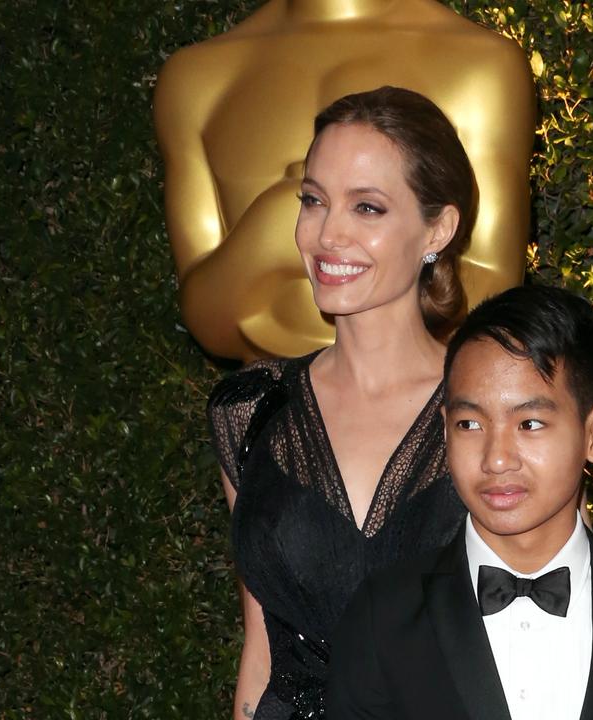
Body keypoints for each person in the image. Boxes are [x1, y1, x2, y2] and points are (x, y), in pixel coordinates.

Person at [207, 87, 477, 720]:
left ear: (437, 227)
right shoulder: (250, 410)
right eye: (314, 200)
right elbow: (260, 649)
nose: (328, 234)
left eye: (368, 208)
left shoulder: (493, 407)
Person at [325, 285, 593, 720]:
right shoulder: (384, 619)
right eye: (470, 423)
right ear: (445, 431)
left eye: (529, 423)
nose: (497, 458)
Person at [155, 0, 534, 360]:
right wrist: (268, 231)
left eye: (368, 205)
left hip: (426, 409)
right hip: (266, 413)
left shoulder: (480, 64)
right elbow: (208, 321)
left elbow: (494, 296)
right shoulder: (197, 78)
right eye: (312, 200)